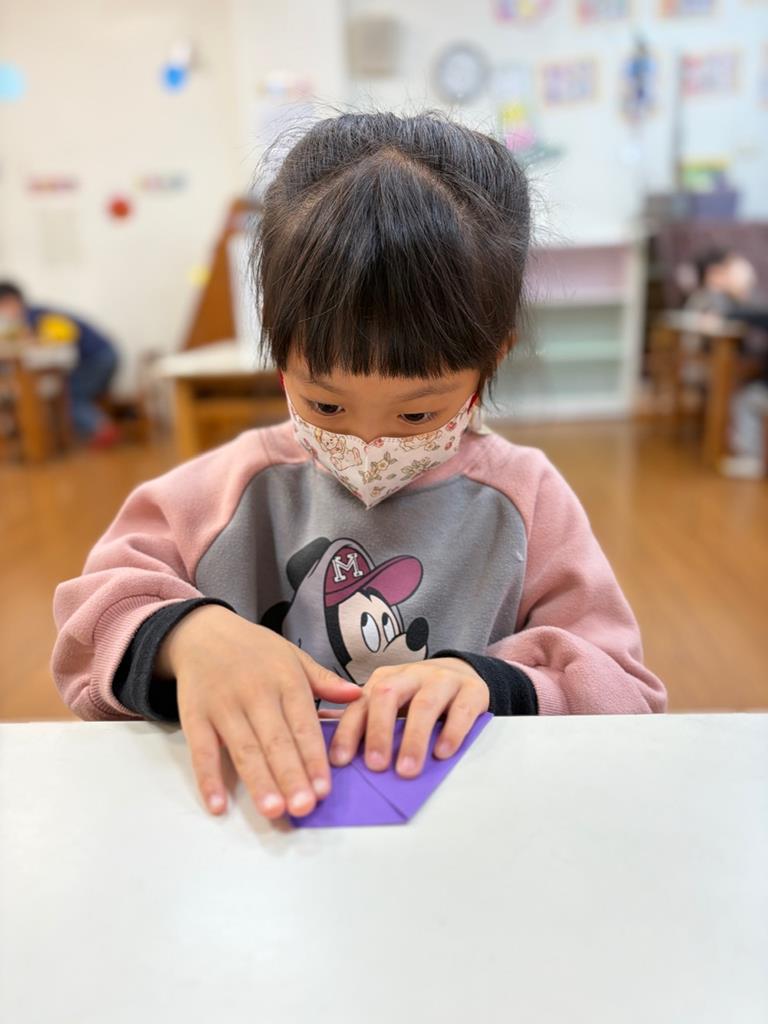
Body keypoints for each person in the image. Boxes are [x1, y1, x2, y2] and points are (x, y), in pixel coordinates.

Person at [51, 111, 667, 824]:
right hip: (260, 831)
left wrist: (495, 684)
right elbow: (90, 628)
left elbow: (625, 692)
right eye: (327, 405)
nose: (369, 444)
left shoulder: (524, 501)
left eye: (417, 414)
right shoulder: (225, 492)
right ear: (278, 348)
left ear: (492, 358)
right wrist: (185, 639)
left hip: (469, 827)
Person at [0, 281, 121, 448]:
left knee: (67, 394)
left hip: (99, 358)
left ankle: (101, 428)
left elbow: (57, 344)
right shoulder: (34, 317)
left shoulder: (36, 318)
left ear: (12, 301)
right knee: (62, 391)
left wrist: (28, 341)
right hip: (100, 356)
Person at [681, 249, 768, 478]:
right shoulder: (709, 298)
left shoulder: (740, 301)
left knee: (745, 399)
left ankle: (749, 455)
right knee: (740, 395)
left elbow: (753, 315)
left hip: (738, 367)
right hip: (711, 364)